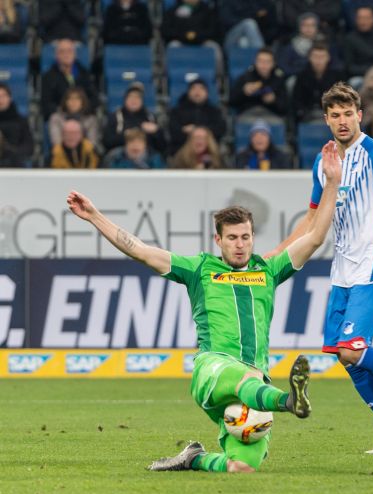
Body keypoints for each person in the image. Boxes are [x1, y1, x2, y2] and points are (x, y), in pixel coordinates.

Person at [66, 140, 343, 473]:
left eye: (245, 237)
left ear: (253, 238)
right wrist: (94, 216)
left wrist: (332, 183)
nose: (239, 245)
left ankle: (193, 458)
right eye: (232, 238)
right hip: (213, 368)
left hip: (253, 380)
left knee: (242, 466)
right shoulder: (200, 269)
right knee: (248, 379)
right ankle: (288, 401)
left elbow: (315, 238)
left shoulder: (268, 271)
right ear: (218, 240)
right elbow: (139, 250)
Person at [270, 82, 373, 453]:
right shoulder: (324, 162)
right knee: (346, 358)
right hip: (342, 270)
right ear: (327, 120)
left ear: (359, 115)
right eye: (335, 115)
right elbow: (312, 220)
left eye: (348, 113)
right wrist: (276, 256)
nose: (343, 121)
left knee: (351, 348)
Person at [103, 81, 167, 155]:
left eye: (137, 97)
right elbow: (107, 142)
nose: (134, 100)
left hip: (146, 156)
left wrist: (156, 132)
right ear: (125, 99)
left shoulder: (150, 117)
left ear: (142, 100)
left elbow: (163, 146)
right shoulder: (115, 117)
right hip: (121, 155)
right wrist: (125, 136)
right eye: (131, 97)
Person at [41, 39, 98, 120]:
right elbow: (46, 103)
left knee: (92, 120)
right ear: (56, 55)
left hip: (83, 115)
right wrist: (65, 112)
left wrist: (82, 110)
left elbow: (94, 98)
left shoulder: (85, 74)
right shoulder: (48, 77)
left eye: (69, 51)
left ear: (75, 54)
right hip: (61, 117)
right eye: (62, 52)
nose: (66, 54)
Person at [167, 78, 226, 154]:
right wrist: (186, 133)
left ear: (207, 93)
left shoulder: (214, 111)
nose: (197, 92)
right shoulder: (177, 111)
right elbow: (173, 131)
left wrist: (199, 130)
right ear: (188, 92)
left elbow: (220, 129)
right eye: (194, 88)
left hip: (208, 151)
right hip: (182, 150)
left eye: (201, 89)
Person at [292, 42, 346, 124]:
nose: (319, 60)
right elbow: (296, 99)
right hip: (307, 113)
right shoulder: (302, 75)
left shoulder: (337, 75)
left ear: (328, 58)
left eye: (322, 57)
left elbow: (342, 98)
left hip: (330, 113)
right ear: (309, 58)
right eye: (315, 57)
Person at [229, 48, 287, 119]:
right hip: (248, 115)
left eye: (267, 62)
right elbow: (231, 101)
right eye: (260, 61)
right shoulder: (245, 77)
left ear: (273, 64)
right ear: (255, 62)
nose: (263, 65)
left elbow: (285, 108)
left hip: (271, 116)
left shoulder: (278, 79)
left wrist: (274, 100)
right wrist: (243, 92)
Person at [0, 83, 33, 164]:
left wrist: (13, 152)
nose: (0, 100)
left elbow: (29, 146)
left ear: (10, 98)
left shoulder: (21, 121)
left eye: (3, 96)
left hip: (15, 163)